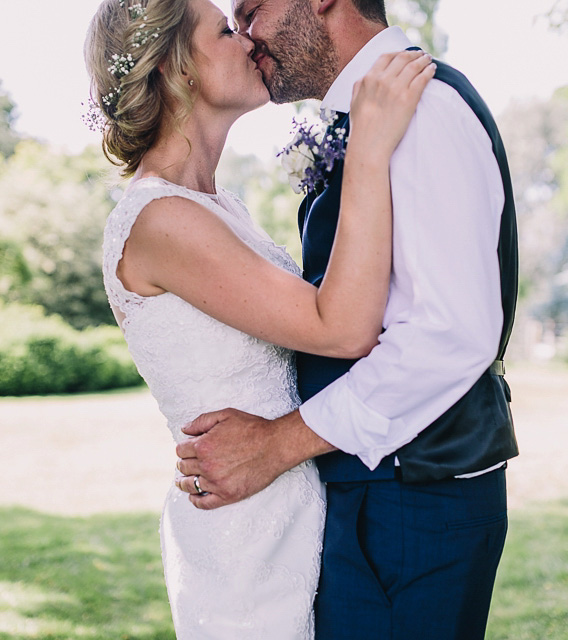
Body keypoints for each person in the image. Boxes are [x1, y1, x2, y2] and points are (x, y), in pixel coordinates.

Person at [84, 0, 434, 636]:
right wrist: (370, 150)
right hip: (246, 541)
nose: (249, 38)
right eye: (225, 28)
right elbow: (343, 328)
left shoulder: (218, 208)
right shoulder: (161, 220)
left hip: (290, 512)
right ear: (178, 68)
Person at [174, 0, 520, 638]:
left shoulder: (426, 109)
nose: (247, 35)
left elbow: (449, 335)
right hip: (370, 485)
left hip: (415, 494)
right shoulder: (366, 116)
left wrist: (279, 443)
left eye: (252, 11)